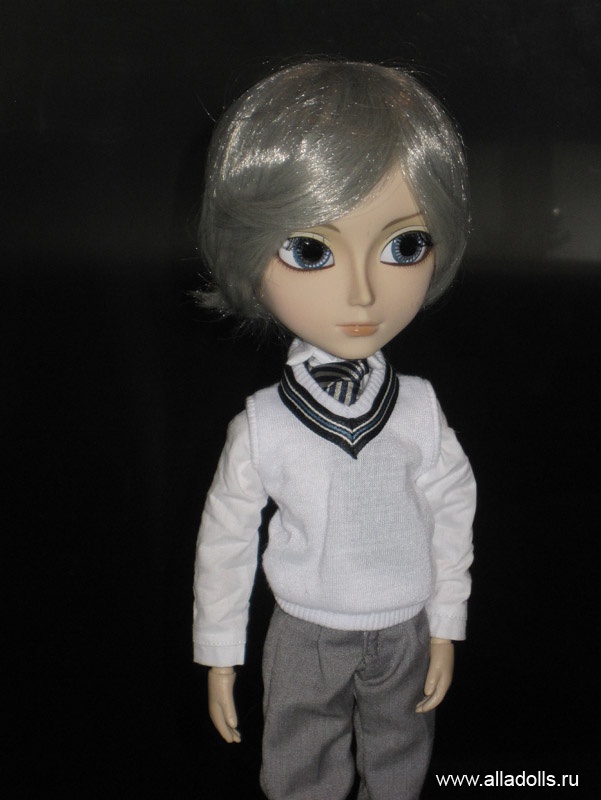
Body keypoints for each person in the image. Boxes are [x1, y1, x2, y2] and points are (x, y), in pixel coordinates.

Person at [192, 59, 476, 800]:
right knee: (300, 769)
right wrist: (220, 651)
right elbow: (226, 539)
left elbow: (452, 508)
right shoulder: (263, 426)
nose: (361, 293)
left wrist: (445, 621)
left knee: (400, 761)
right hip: (304, 631)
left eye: (404, 246)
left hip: (406, 624)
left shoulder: (418, 408)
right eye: (310, 250)